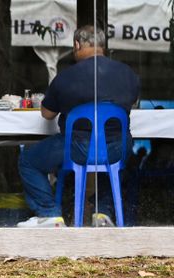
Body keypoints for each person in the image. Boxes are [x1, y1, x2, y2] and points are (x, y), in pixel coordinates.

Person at [17, 25, 139, 228]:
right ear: (102, 45)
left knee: (28, 160)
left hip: (77, 148)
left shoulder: (65, 77)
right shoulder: (128, 74)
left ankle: (49, 213)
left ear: (77, 44)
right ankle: (104, 212)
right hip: (118, 147)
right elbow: (132, 103)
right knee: (116, 166)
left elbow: (47, 114)